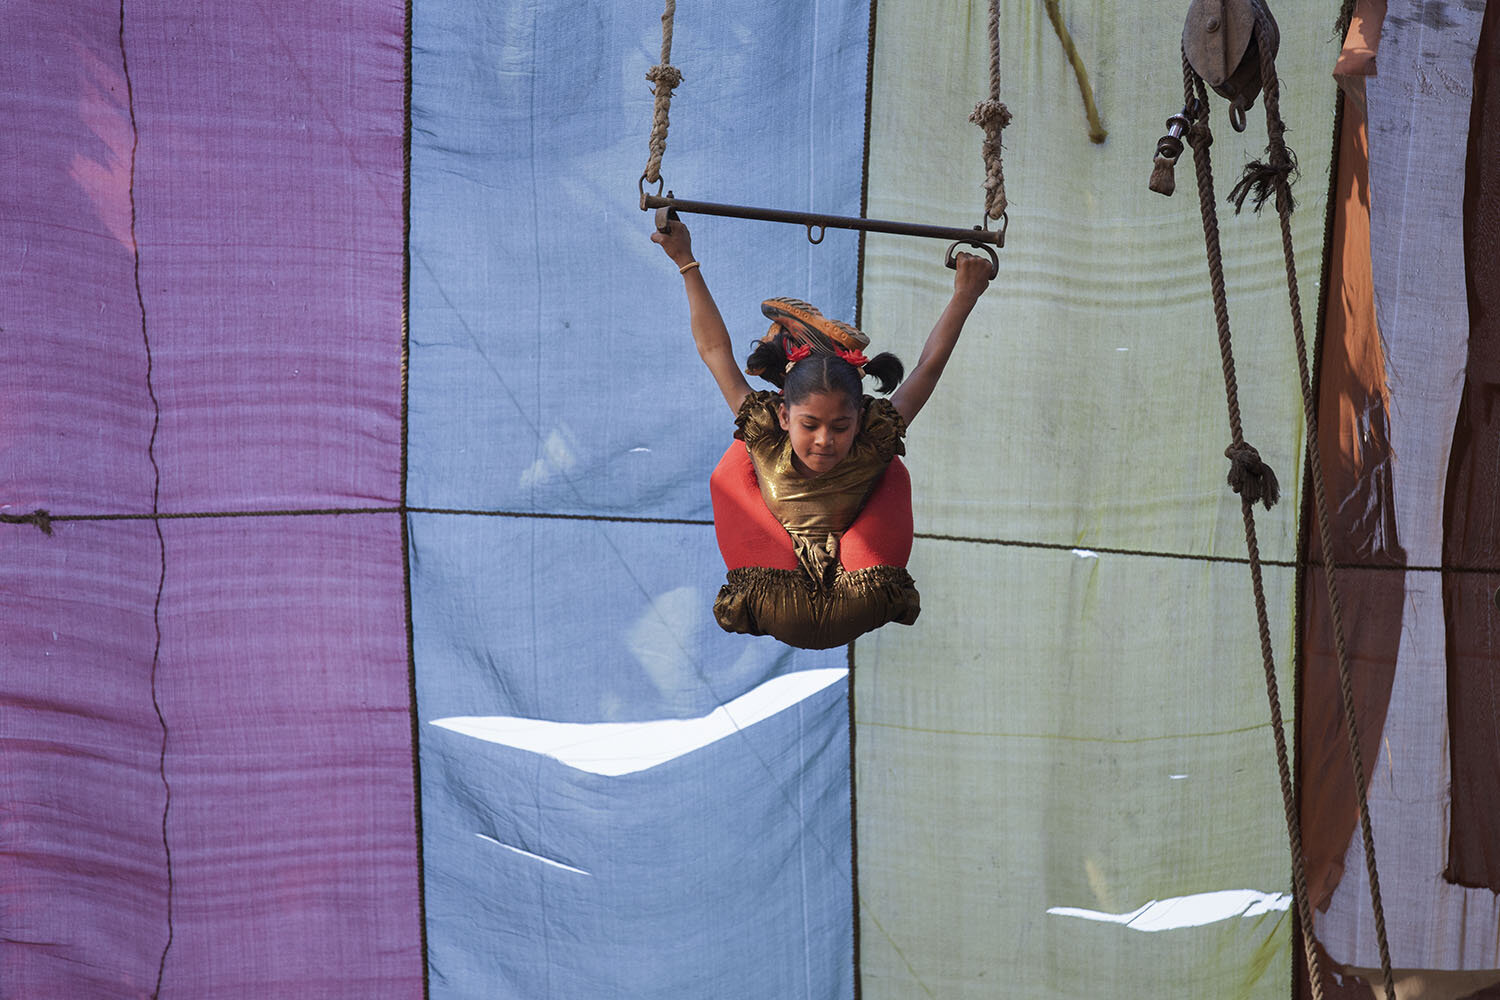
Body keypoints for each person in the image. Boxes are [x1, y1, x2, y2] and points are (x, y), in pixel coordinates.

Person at [652, 219, 993, 649]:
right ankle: (806, 352)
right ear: (784, 416)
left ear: (858, 419)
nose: (824, 440)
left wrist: (965, 295)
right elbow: (715, 352)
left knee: (889, 462)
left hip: (858, 591)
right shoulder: (768, 431)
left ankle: (803, 350)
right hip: (780, 593)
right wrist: (685, 261)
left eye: (840, 427)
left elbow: (927, 369)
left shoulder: (872, 435)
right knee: (739, 453)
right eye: (809, 426)